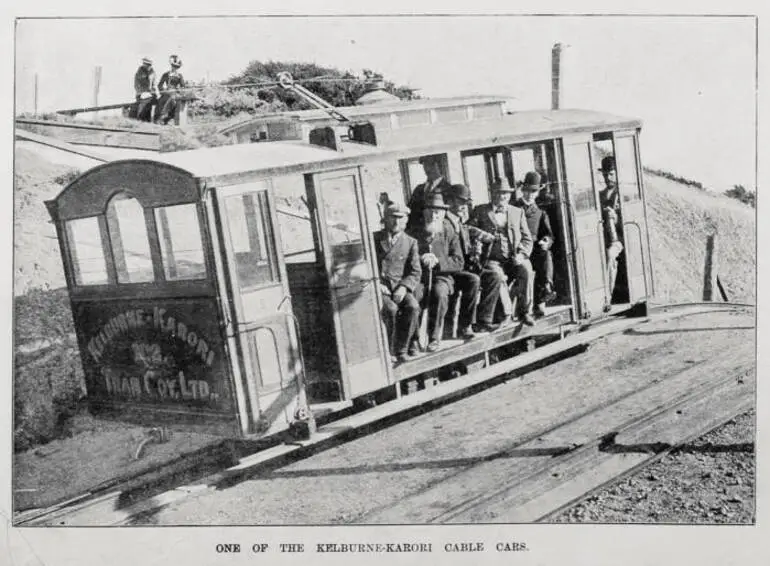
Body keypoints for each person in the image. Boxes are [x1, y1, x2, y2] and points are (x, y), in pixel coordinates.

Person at [469, 177, 535, 328]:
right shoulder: (481, 210)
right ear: (492, 194)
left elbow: (527, 239)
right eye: (499, 193)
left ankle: (525, 311)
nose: (502, 197)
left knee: (526, 269)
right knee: (497, 275)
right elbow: (467, 228)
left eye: (505, 193)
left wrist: (521, 254)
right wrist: (482, 235)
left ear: (510, 195)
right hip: (492, 259)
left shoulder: (517, 212)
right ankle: (507, 314)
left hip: (513, 257)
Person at [408, 193, 464, 352]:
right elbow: (405, 256)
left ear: (443, 213)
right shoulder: (414, 232)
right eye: (430, 211)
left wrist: (439, 261)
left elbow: (459, 261)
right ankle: (414, 340)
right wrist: (421, 258)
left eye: (438, 211)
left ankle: (434, 337)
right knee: (414, 296)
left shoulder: (449, 231)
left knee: (439, 293)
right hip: (418, 276)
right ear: (424, 212)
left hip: (442, 277)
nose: (434, 215)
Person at [445, 184, 500, 335]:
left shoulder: (459, 222)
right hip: (451, 271)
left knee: (494, 276)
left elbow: (467, 230)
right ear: (449, 201)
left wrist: (481, 238)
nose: (464, 206)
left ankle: (483, 321)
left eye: (466, 203)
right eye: (461, 202)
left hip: (464, 267)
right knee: (473, 279)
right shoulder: (444, 223)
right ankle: (465, 326)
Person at [374, 203, 423, 363]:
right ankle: (390, 349)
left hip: (400, 287)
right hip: (381, 288)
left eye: (400, 218)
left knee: (413, 307)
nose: (396, 222)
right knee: (390, 309)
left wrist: (403, 287)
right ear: (385, 219)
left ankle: (402, 349)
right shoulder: (374, 239)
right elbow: (367, 265)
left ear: (406, 221)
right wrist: (377, 284)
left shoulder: (410, 242)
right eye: (392, 218)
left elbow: (415, 271)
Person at [514, 171, 557, 317]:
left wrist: (546, 241)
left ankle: (544, 293)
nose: (530, 194)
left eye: (534, 191)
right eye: (527, 190)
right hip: (518, 250)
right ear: (522, 190)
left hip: (534, 250)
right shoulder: (513, 208)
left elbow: (549, 234)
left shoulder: (540, 213)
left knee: (545, 255)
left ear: (538, 193)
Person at [598, 156, 624, 298]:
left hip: (619, 239)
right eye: (605, 174)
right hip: (602, 237)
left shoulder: (622, 194)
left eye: (611, 174)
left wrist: (616, 218)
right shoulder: (600, 195)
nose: (608, 177)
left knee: (610, 255)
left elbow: (629, 219)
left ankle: (607, 297)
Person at [406, 155, 452, 233]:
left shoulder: (448, 189)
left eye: (430, 164)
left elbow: (450, 215)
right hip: (417, 234)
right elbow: (410, 211)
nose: (427, 169)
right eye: (424, 165)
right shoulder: (418, 189)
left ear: (438, 165)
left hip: (438, 234)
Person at [157, 55, 186, 125]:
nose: (175, 68)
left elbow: (183, 86)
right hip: (166, 92)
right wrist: (164, 91)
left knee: (173, 100)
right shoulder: (166, 74)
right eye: (173, 66)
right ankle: (161, 117)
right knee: (162, 101)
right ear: (171, 65)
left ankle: (167, 117)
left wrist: (179, 89)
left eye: (176, 67)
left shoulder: (179, 76)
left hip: (175, 93)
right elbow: (159, 85)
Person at [133, 57, 159, 122]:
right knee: (144, 102)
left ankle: (152, 120)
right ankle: (140, 119)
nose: (148, 66)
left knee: (158, 101)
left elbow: (154, 84)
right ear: (144, 64)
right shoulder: (139, 72)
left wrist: (156, 93)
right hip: (141, 94)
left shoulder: (152, 73)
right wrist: (141, 93)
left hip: (150, 94)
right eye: (146, 64)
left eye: (149, 64)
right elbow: (136, 85)